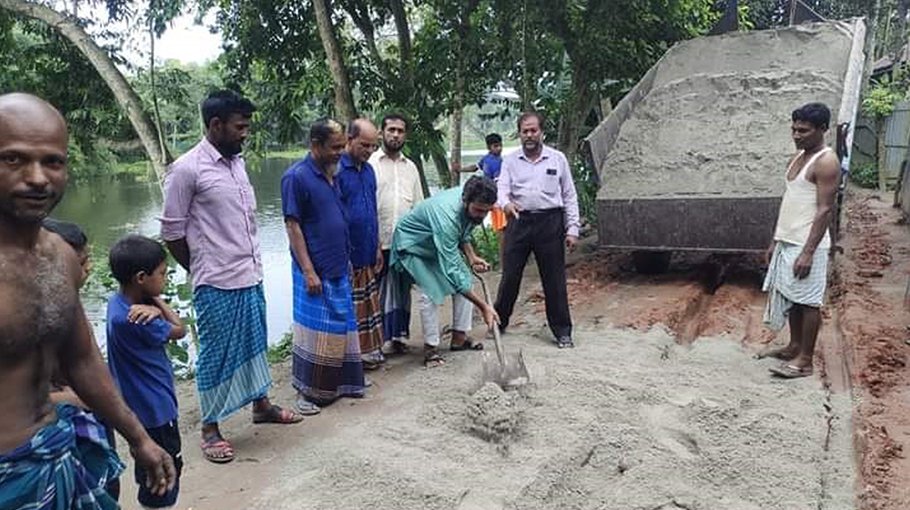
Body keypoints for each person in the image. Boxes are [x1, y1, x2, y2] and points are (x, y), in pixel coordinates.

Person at [0, 92, 174, 508]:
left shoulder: (60, 255)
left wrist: (138, 437)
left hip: (54, 454)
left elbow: (81, 359)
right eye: (14, 159)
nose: (38, 177)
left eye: (53, 161)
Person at [160, 90, 302, 465]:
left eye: (247, 127)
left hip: (249, 274)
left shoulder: (237, 163)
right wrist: (203, 265)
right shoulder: (187, 169)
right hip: (216, 281)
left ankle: (261, 405)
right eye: (240, 127)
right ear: (215, 125)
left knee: (255, 343)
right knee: (216, 355)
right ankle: (210, 428)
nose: (245, 134)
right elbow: (172, 232)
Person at [282, 119, 367, 411]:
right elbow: (292, 225)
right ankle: (307, 393)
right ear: (315, 145)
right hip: (314, 267)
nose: (340, 153)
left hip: (337, 264)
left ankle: (341, 384)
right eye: (335, 147)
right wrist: (307, 270)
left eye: (343, 146)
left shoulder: (334, 172)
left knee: (341, 325)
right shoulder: (296, 177)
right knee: (314, 332)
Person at [43, 218, 123, 502]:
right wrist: (75, 399)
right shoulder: (24, 320)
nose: (87, 269)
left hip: (92, 420)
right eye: (79, 263)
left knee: (106, 486)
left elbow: (90, 363)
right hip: (52, 434)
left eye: (87, 260)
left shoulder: (72, 306)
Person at [106, 235, 187, 509]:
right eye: (162, 274)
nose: (165, 279)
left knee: (149, 469)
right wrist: (159, 303)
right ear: (141, 277)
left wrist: (151, 300)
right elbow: (180, 329)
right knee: (165, 470)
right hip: (155, 408)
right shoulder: (136, 319)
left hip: (138, 405)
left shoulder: (117, 304)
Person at [759, 102, 839, 379]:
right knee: (791, 296)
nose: (796, 135)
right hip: (788, 240)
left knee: (808, 301)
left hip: (808, 244)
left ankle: (805, 361)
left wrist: (808, 251)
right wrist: (775, 240)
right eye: (793, 129)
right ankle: (794, 346)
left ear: (822, 129)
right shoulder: (797, 158)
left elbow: (824, 210)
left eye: (803, 130)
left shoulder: (826, 162)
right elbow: (791, 202)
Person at [386, 175, 500, 367]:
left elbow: (463, 231)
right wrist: (484, 307)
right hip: (413, 245)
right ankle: (431, 349)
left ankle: (459, 338)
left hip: (435, 243)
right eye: (478, 210)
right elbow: (452, 270)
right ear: (465, 201)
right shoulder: (446, 216)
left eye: (486, 212)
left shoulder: (470, 204)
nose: (481, 216)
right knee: (430, 292)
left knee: (466, 282)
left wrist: (471, 257)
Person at [495, 112, 580, 349]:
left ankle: (562, 331)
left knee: (554, 279)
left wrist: (572, 228)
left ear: (542, 132)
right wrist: (506, 204)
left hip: (550, 223)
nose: (529, 135)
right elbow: (501, 189)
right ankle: (499, 323)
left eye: (533, 130)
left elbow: (569, 195)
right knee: (510, 275)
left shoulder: (557, 159)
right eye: (525, 131)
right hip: (518, 222)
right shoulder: (510, 161)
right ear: (520, 134)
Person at [370, 113, 425, 355]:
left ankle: (398, 337)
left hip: (404, 243)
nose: (395, 135)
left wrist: (419, 241)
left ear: (406, 135)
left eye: (400, 131)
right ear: (381, 132)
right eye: (391, 130)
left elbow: (419, 207)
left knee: (402, 291)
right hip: (376, 242)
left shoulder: (410, 167)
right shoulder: (370, 164)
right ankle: (376, 342)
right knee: (376, 292)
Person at [337, 118, 385, 370]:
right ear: (349, 140)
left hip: (367, 248)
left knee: (367, 305)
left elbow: (372, 210)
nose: (368, 151)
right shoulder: (336, 171)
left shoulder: (368, 171)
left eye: (373, 147)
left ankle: (366, 352)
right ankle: (350, 358)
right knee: (350, 308)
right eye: (364, 145)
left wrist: (377, 246)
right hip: (347, 255)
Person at [452, 133, 507, 261]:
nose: (499, 149)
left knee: (504, 231)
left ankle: (506, 262)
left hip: (498, 200)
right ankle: (502, 261)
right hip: (489, 200)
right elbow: (474, 168)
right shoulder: (486, 160)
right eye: (495, 146)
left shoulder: (502, 162)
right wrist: (460, 169)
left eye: (500, 146)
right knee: (500, 231)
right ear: (489, 147)